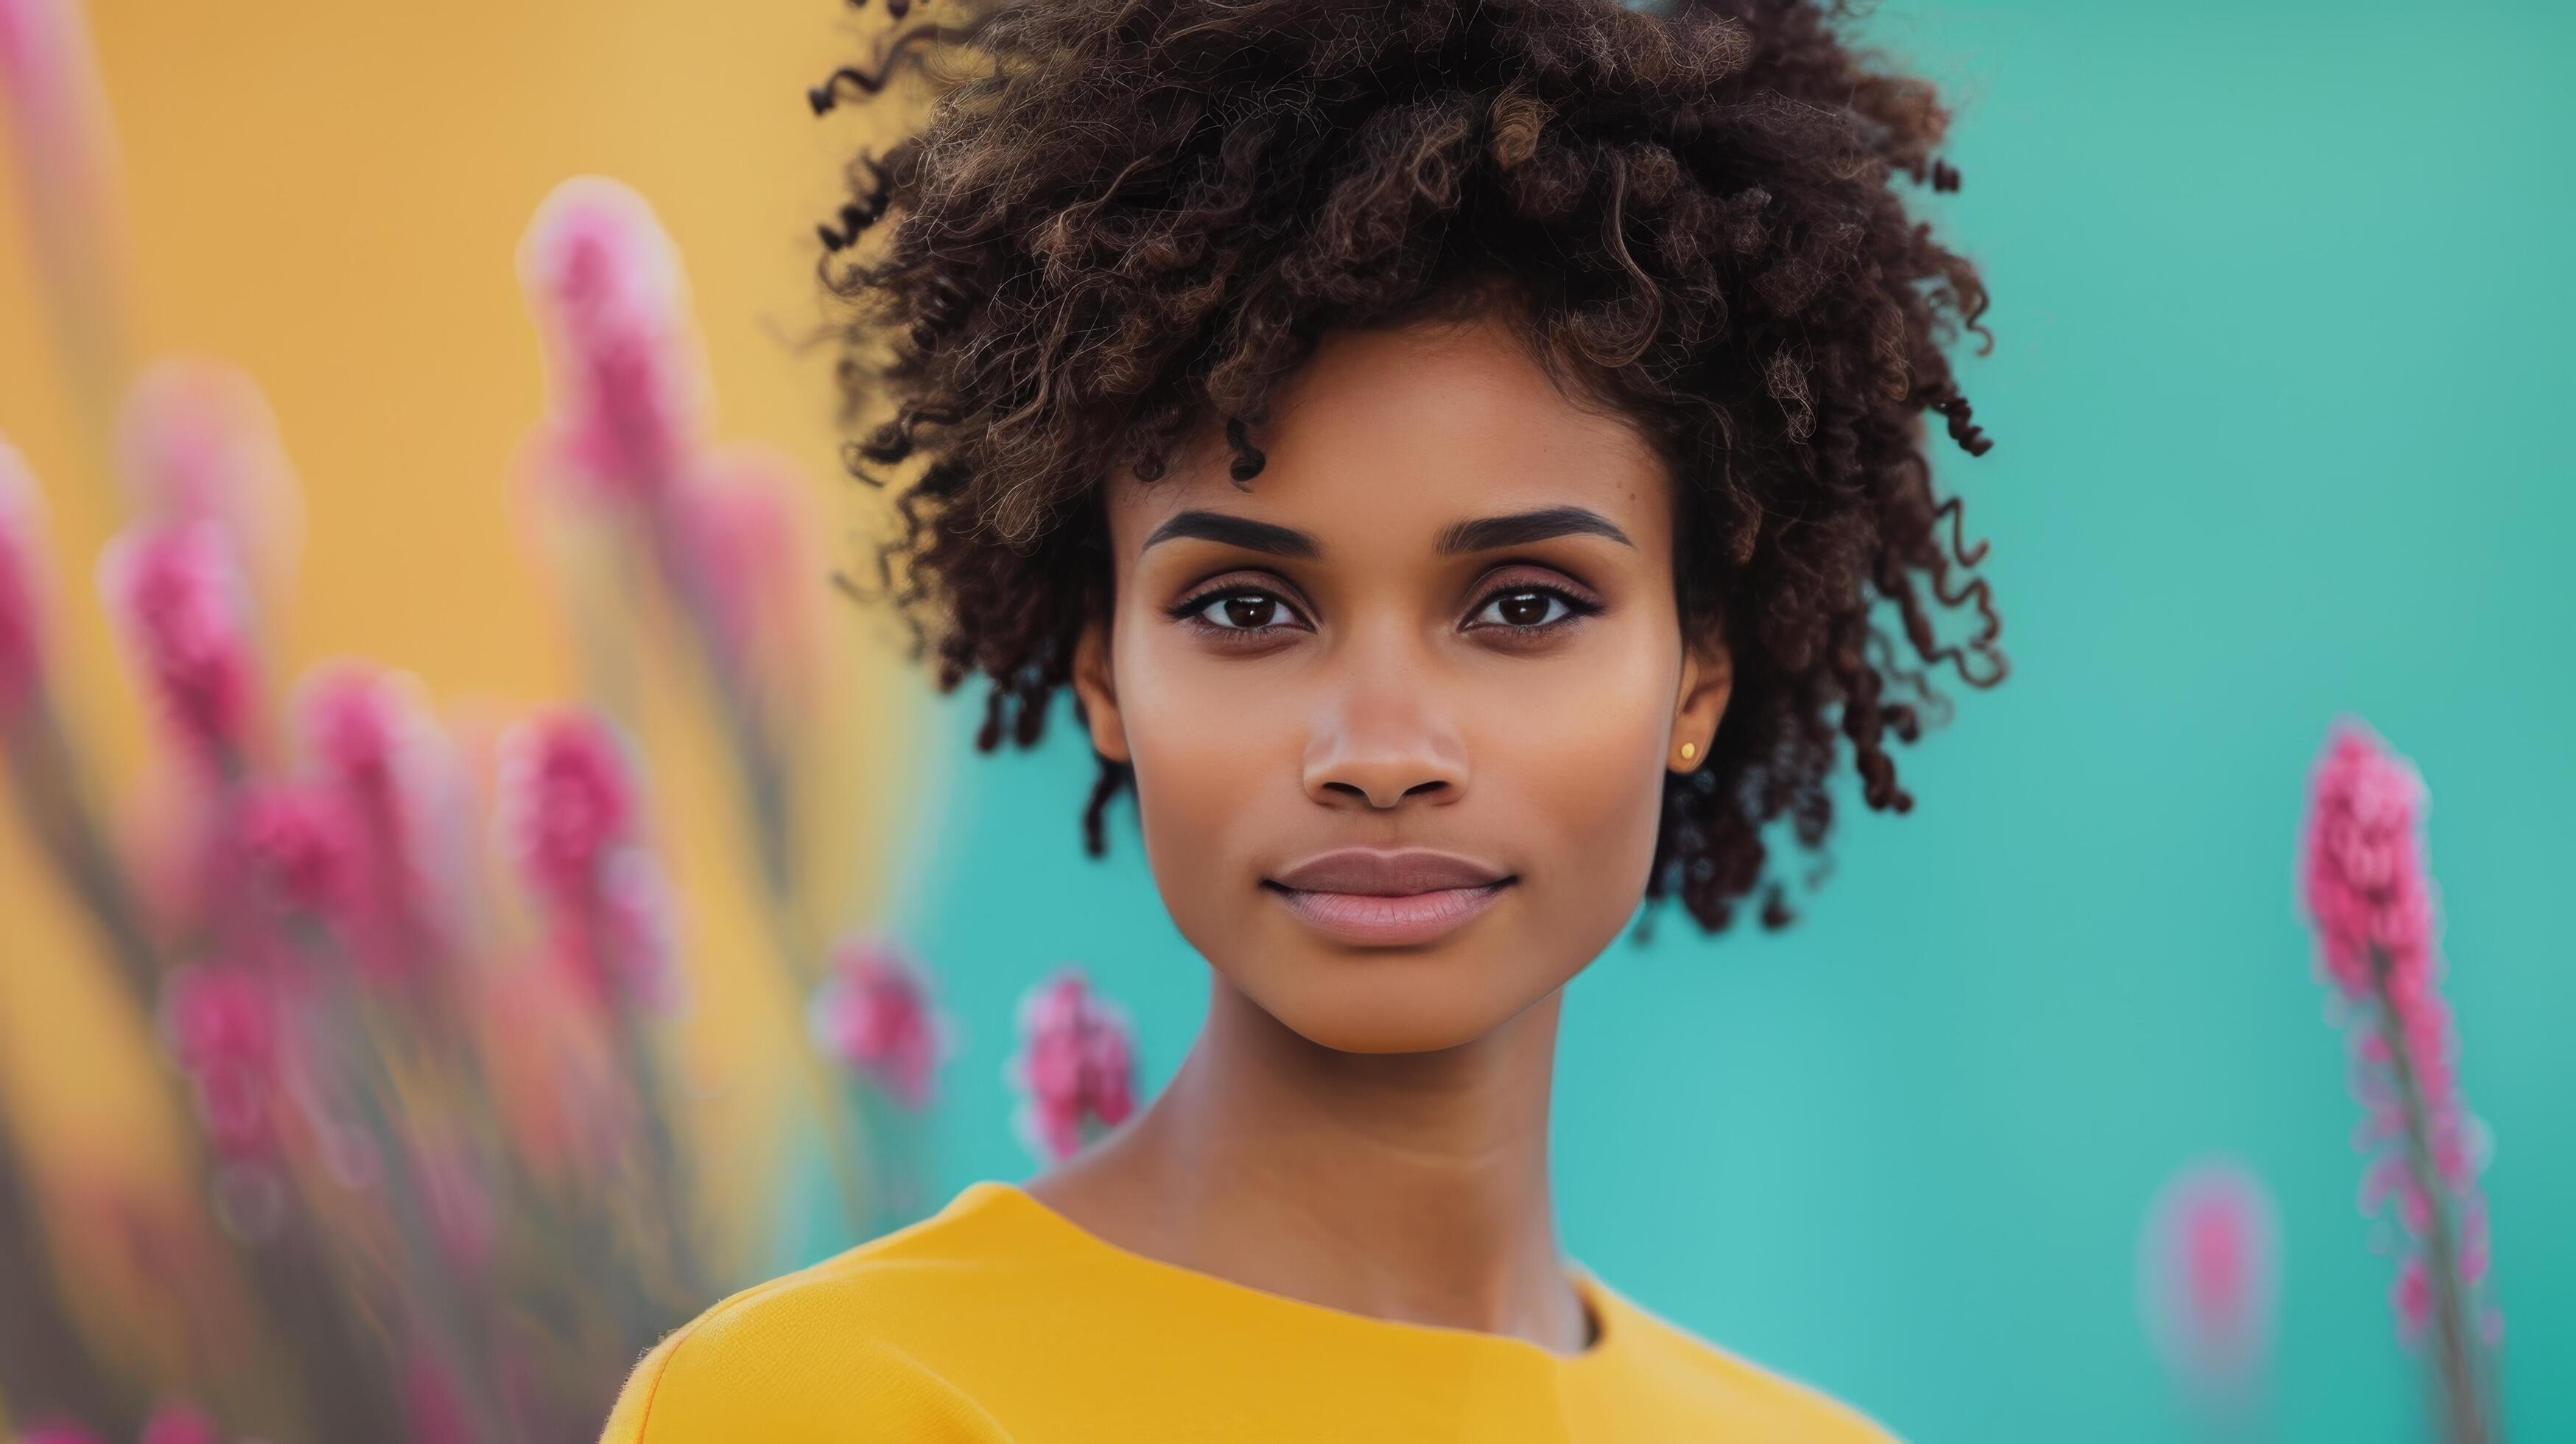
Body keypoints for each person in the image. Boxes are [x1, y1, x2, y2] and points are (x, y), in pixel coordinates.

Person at [600, 0, 2005, 1437]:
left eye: (1522, 606)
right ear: (1103, 669)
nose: (1382, 750)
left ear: (1695, 667)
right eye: (1247, 606)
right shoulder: (826, 1405)